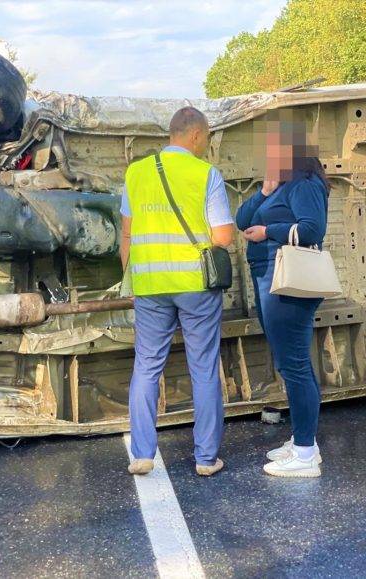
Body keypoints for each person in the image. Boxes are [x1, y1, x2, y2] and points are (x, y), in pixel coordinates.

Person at [120, 107, 235, 477]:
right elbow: (223, 237)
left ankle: (141, 454)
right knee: (202, 367)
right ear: (197, 136)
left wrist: (133, 282)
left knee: (147, 366)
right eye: (207, 139)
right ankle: (205, 459)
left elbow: (126, 235)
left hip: (150, 286)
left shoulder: (135, 173)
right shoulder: (205, 175)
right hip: (196, 286)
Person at [236, 112, 330, 478]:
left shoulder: (305, 182)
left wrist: (268, 231)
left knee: (294, 364)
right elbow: (243, 219)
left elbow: (311, 229)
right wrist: (264, 189)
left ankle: (305, 454)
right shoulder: (279, 184)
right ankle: (303, 441)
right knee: (290, 362)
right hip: (268, 278)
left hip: (287, 281)